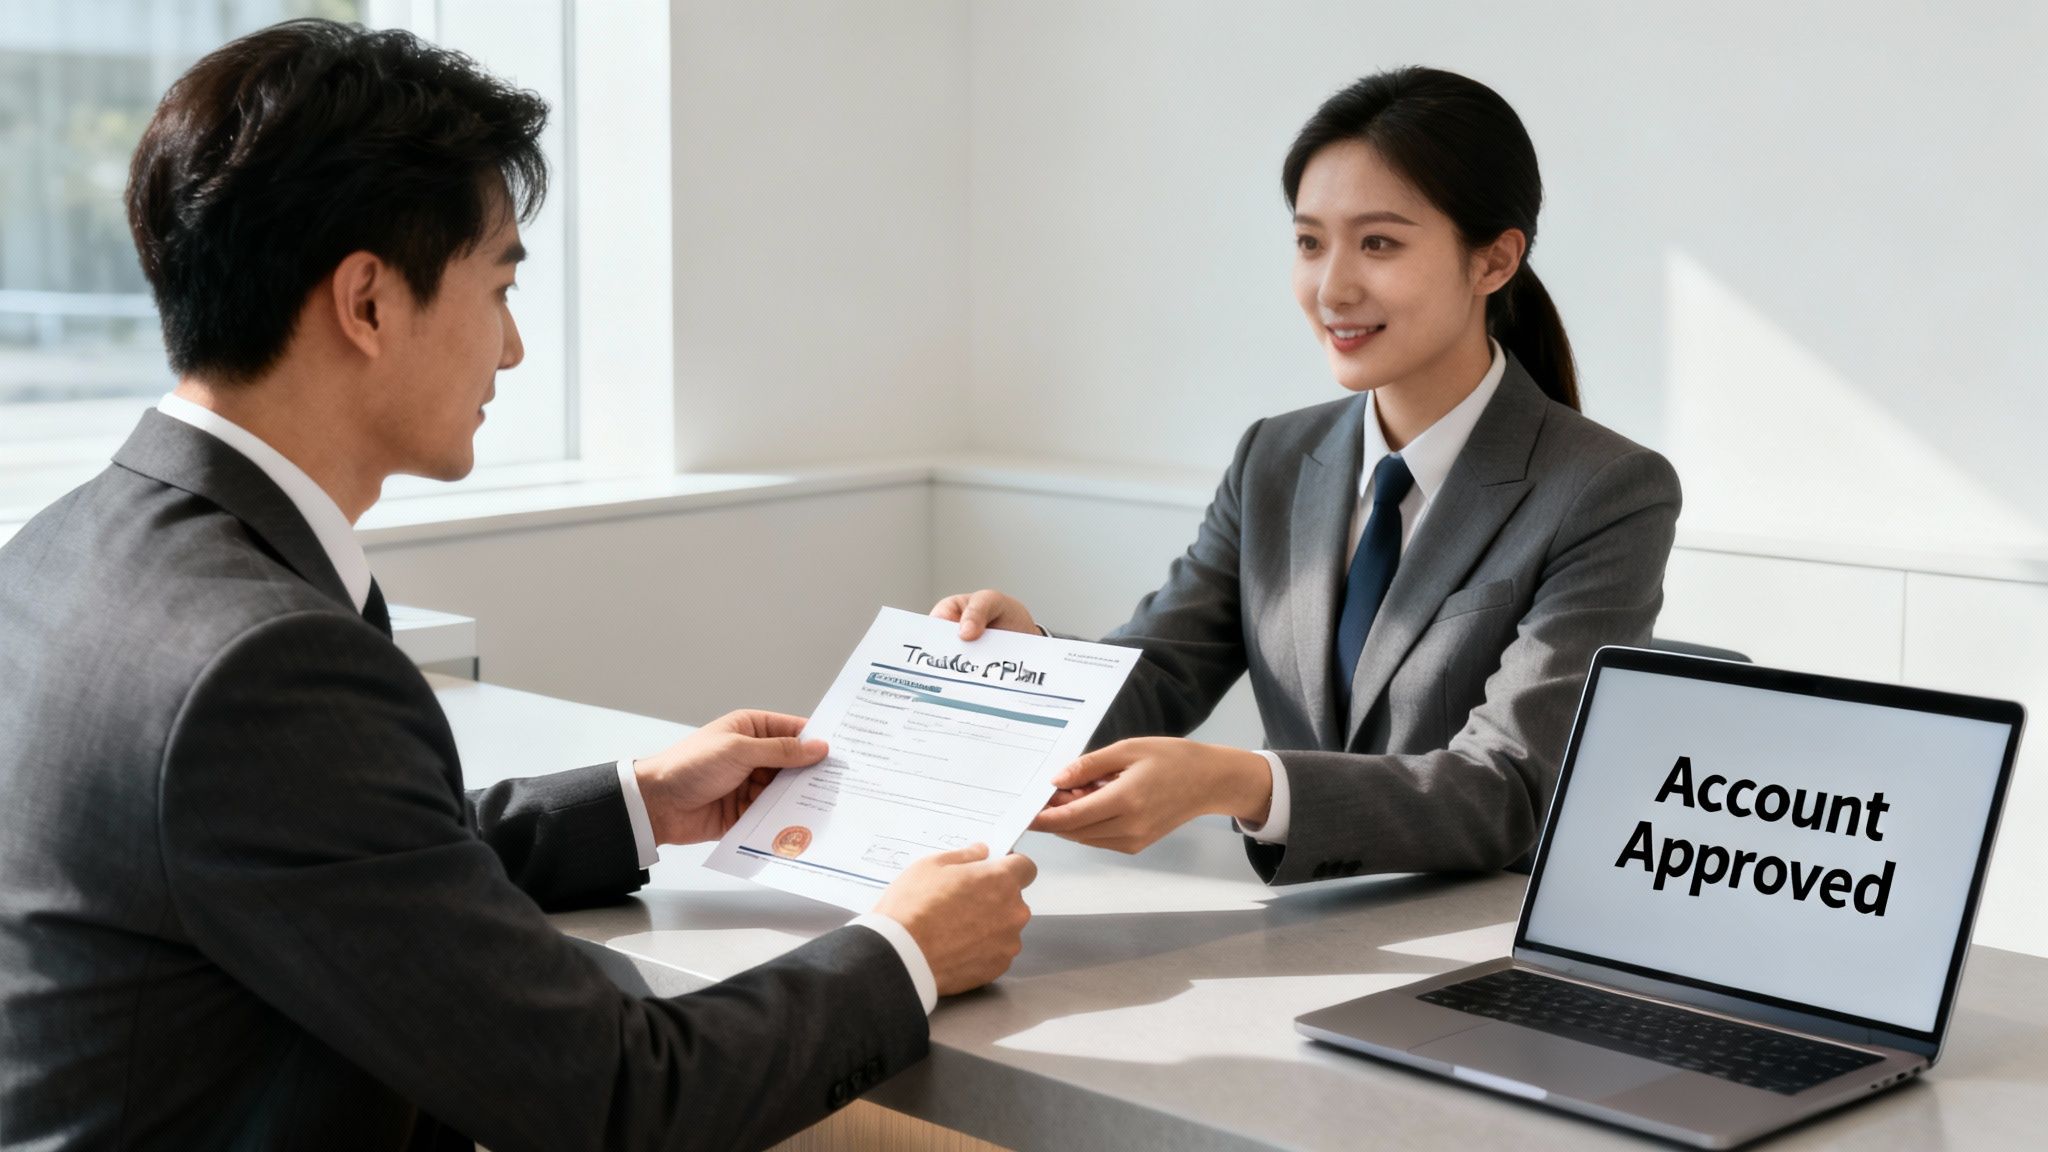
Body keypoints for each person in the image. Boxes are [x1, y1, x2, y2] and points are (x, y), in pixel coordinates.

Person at [0, 20, 1033, 1152]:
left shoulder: (65, 548)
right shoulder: (263, 663)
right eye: (498, 286)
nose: (514, 351)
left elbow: (328, 861)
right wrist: (904, 952)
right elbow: (612, 1098)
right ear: (367, 302)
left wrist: (638, 798)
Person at [935, 67, 1681, 885]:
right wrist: (1028, 663)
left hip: (1472, 944)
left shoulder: (1606, 490)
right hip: (1292, 932)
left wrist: (1241, 782)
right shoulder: (1275, 460)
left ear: (1494, 261)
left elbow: (1508, 786)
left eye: (1380, 243)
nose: (1332, 288)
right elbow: (1161, 678)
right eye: (1309, 242)